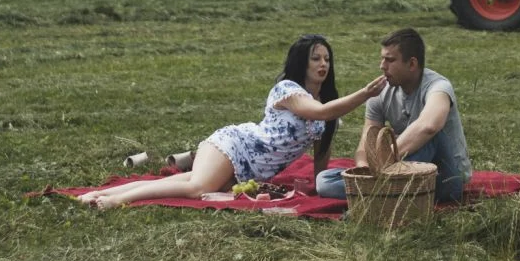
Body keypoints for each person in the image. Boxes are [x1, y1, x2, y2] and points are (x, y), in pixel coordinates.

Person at [81, 34, 386, 209]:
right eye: (315, 58)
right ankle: (112, 202)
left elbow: (321, 158)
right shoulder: (288, 90)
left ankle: (102, 195)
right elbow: (320, 112)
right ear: (301, 63)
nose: (323, 64)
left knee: (182, 182)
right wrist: (365, 94)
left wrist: (317, 188)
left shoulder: (326, 109)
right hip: (236, 145)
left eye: (327, 59)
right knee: (196, 187)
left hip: (248, 171)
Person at [316, 28, 472, 204]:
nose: (382, 66)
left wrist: (386, 158)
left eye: (389, 60)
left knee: (430, 136)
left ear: (412, 64)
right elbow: (366, 144)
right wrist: (365, 170)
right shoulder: (381, 92)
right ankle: (380, 191)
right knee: (324, 180)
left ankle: (378, 194)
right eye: (382, 59)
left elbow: (429, 126)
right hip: (397, 171)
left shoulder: (438, 86)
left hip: (444, 179)